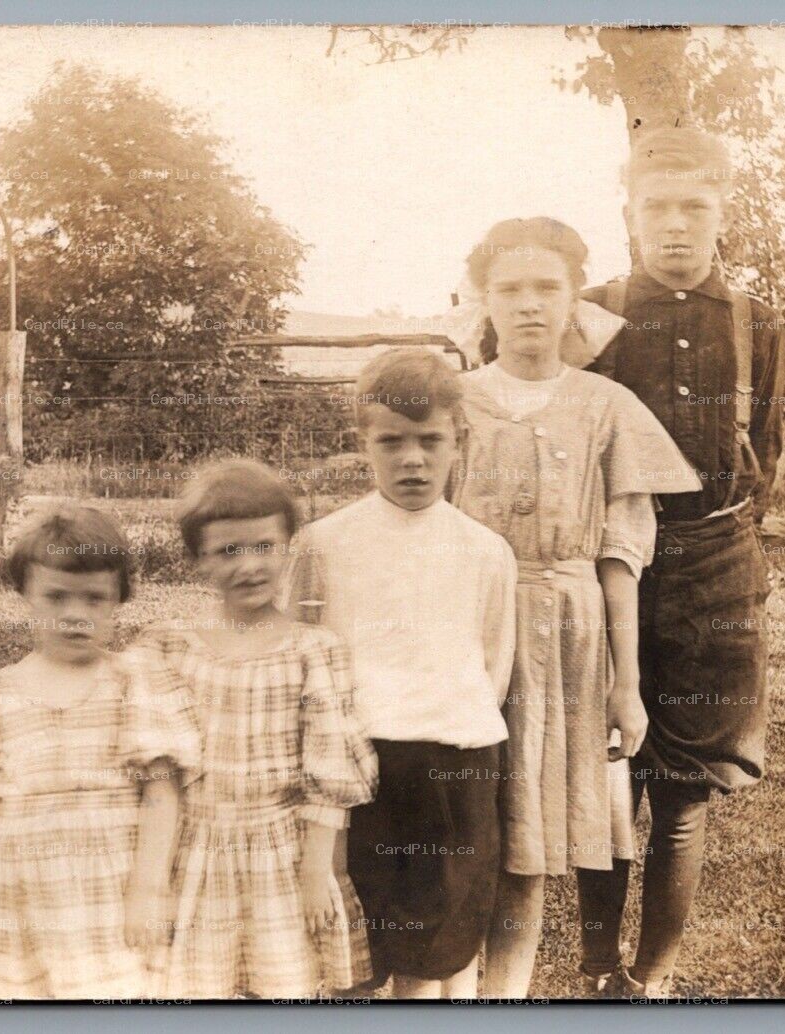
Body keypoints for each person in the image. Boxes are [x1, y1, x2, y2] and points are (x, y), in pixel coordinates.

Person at [448, 217, 702, 998]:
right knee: (461, 826)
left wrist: (625, 684)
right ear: (484, 302)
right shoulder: (451, 401)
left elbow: (619, 560)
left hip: (568, 634)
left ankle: (505, 998)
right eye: (511, 289)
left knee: (530, 834)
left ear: (572, 302)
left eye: (546, 288)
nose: (529, 306)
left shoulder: (605, 405)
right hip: (463, 629)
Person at [573, 126, 785, 998]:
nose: (674, 226)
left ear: (721, 213)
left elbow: (765, 445)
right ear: (629, 214)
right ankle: (595, 968)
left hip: (718, 565)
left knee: (685, 791)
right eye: (655, 207)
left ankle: (651, 980)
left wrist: (729, 539)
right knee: (606, 770)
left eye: (693, 207)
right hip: (611, 564)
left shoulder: (755, 320)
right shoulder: (594, 313)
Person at [283, 352, 517, 999]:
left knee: (440, 944)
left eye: (430, 441)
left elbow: (492, 664)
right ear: (364, 443)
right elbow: (299, 656)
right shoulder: (326, 543)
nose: (412, 459)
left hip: (456, 763)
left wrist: (446, 720)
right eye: (391, 443)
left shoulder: (485, 551)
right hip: (359, 770)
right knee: (356, 947)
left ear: (456, 441)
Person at [129, 459, 376, 999]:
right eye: (227, 551)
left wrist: (317, 872)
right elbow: (161, 782)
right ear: (198, 562)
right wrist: (153, 883)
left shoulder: (315, 650)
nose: (249, 566)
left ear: (288, 546)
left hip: (284, 855)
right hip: (200, 852)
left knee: (287, 983)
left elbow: (328, 774)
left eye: (264, 546)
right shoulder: (169, 649)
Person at [0, 504, 199, 999]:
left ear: (118, 600)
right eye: (56, 597)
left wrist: (149, 889)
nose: (75, 615)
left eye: (94, 600)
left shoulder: (134, 679)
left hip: (110, 887)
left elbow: (161, 793)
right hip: (23, 893)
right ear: (25, 594)